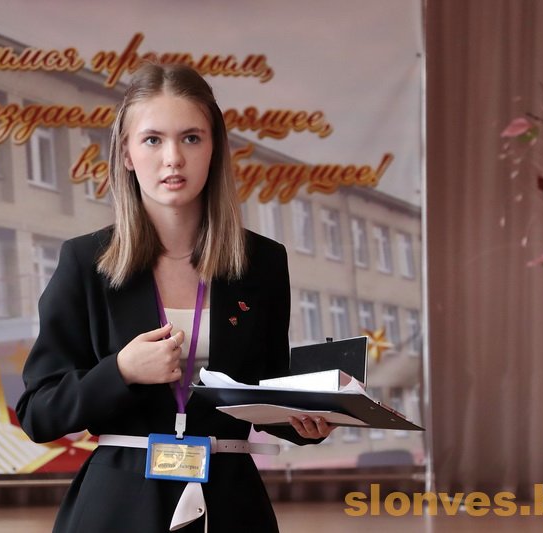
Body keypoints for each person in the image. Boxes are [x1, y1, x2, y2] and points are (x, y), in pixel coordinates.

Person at [17, 62, 334, 532]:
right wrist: (121, 371)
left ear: (214, 149)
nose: (173, 158)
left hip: (232, 506)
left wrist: (307, 421)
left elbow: (265, 391)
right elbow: (38, 413)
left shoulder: (263, 263)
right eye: (152, 140)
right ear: (126, 153)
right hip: (118, 509)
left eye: (191, 138)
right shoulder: (85, 261)